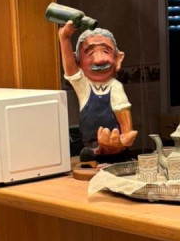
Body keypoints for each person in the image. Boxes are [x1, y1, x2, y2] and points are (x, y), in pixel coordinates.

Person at [58, 21, 137, 159]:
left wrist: (122, 141)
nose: (99, 60)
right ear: (77, 61)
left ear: (118, 59)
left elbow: (126, 129)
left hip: (117, 153)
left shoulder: (115, 87)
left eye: (106, 51)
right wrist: (64, 38)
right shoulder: (84, 86)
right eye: (90, 53)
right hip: (90, 152)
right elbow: (70, 71)